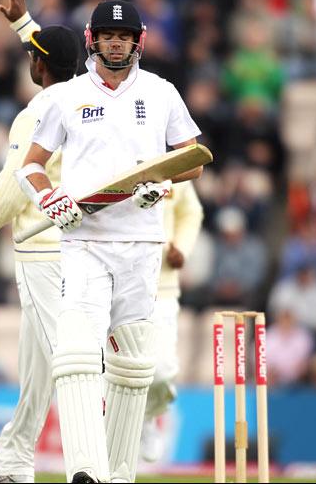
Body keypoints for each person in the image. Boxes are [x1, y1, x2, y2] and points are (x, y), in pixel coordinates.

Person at [16, 0, 203, 483]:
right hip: (85, 240)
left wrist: (162, 183)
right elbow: (30, 165)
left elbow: (193, 159)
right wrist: (50, 198)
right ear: (91, 39)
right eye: (106, 35)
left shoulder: (161, 92)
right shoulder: (67, 96)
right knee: (77, 352)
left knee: (134, 363)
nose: (114, 43)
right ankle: (84, 470)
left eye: (122, 36)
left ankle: (118, 474)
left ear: (137, 40)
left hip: (143, 244)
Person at [0, 0, 81, 482]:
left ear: (38, 67)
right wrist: (24, 25)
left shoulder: (35, 115)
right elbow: (59, 58)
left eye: (34, 54)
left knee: (67, 364)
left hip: (42, 251)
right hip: (79, 246)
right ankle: (10, 468)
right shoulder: (90, 98)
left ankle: (96, 464)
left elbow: (12, 186)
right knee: (39, 373)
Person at [140, 181, 204, 463]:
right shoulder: (115, 152)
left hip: (162, 286)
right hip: (112, 285)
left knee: (162, 371)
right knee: (113, 372)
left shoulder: (175, 167)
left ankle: (148, 417)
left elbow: (191, 212)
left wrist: (181, 247)